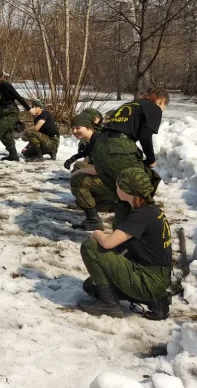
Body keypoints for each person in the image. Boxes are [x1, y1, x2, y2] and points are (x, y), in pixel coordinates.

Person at [77, 167, 172, 320]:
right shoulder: (150, 211)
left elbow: (107, 243)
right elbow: (120, 243)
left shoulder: (141, 215)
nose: (116, 188)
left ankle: (110, 305)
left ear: (128, 190)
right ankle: (155, 300)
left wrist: (97, 233)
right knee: (91, 287)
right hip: (156, 278)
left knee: (90, 246)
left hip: (148, 279)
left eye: (118, 185)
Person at [88, 88, 169, 229]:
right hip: (119, 148)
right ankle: (149, 233)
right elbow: (145, 136)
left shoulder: (131, 105)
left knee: (123, 197)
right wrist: (150, 159)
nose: (162, 110)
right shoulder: (153, 107)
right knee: (142, 188)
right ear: (162, 101)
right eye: (164, 107)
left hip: (100, 148)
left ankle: (121, 236)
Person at [68, 113, 112, 230]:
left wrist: (76, 174)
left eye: (78, 128)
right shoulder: (94, 139)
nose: (74, 131)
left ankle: (93, 220)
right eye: (73, 128)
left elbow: (102, 169)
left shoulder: (98, 140)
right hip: (113, 179)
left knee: (78, 178)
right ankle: (95, 202)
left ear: (88, 127)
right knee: (79, 166)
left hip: (118, 184)